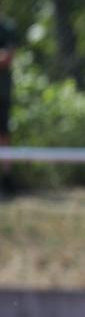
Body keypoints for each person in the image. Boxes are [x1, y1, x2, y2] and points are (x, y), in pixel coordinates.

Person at [0, 13, 15, 197]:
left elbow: (7, 58)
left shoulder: (6, 28)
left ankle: (6, 180)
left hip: (1, 92)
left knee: (3, 135)